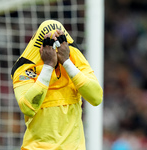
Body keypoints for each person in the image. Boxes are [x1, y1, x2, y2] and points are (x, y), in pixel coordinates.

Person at [11, 20, 103, 150]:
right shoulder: (25, 68)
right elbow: (28, 107)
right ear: (41, 48)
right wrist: (48, 66)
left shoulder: (74, 60)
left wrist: (66, 62)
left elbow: (96, 97)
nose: (55, 48)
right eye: (50, 44)